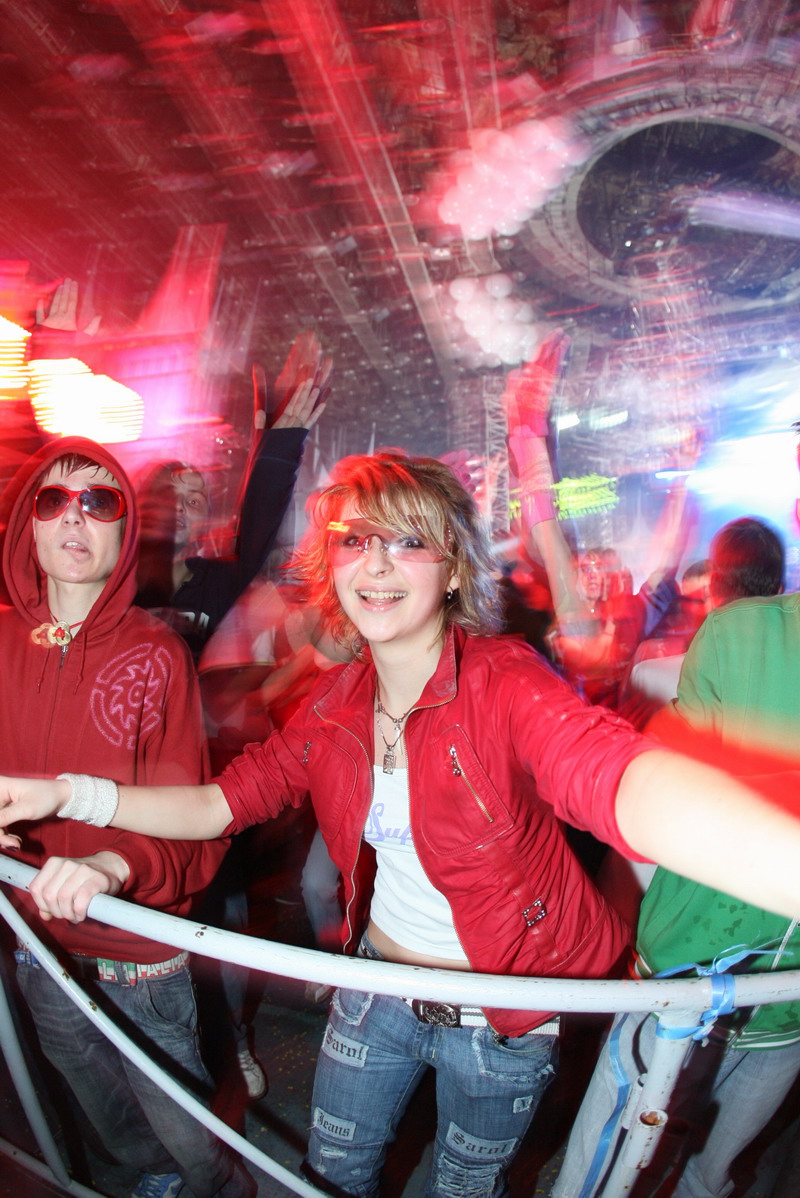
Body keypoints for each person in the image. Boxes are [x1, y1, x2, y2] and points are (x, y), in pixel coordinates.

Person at [2, 451, 800, 1198]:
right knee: (330, 1176)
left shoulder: (503, 681)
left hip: (502, 1017)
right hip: (376, 989)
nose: (377, 563)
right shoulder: (336, 702)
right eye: (355, 540)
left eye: (409, 540)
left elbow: (618, 777)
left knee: (464, 1188)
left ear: (452, 569)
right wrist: (68, 794)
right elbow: (219, 804)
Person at [0, 436, 251, 1198]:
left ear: (124, 530)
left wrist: (115, 865)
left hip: (139, 955)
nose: (74, 517)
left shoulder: (157, 654)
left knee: (190, 1138)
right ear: (28, 524)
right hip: (37, 946)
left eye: (99, 500)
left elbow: (197, 826)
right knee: (109, 1125)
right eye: (53, 499)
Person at [551, 578, 800, 1197]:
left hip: (789, 1019)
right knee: (602, 1172)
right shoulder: (744, 633)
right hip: (681, 979)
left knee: (709, 1178)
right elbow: (652, 799)